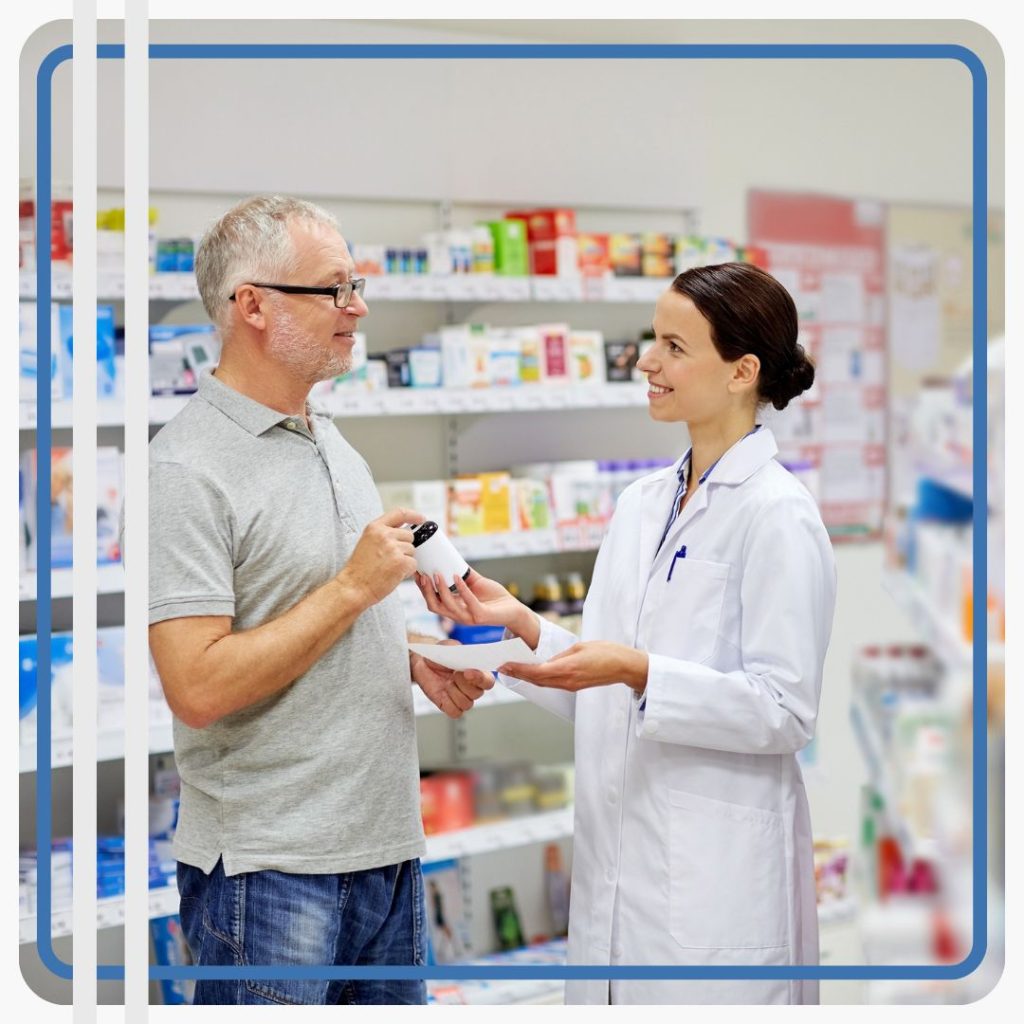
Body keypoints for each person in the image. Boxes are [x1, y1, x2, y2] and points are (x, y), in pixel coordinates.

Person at [416, 262, 838, 1005]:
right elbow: (611, 686)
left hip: (713, 896)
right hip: (618, 880)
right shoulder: (642, 504)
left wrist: (641, 673)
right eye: (653, 340)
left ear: (742, 370)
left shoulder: (778, 515)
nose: (646, 360)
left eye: (674, 346)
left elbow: (784, 709)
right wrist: (520, 626)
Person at [147, 194, 492, 1006]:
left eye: (357, 284)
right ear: (253, 306)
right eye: (333, 289)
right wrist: (352, 589)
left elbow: (296, 612)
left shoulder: (326, 434)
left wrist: (406, 661)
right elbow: (197, 686)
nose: (358, 308)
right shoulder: (186, 470)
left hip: (384, 853)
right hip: (273, 874)